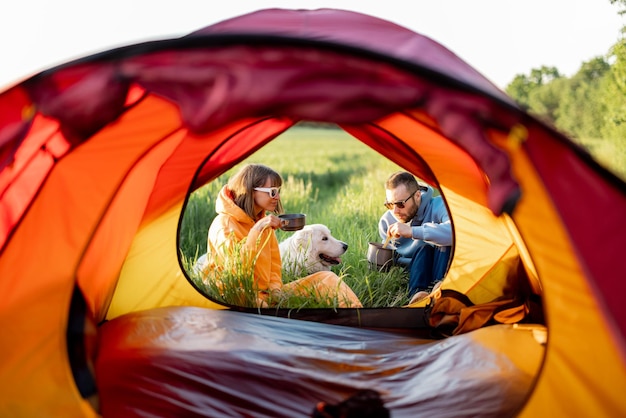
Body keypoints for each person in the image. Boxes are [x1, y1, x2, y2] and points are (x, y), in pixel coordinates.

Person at [205, 163, 362, 308]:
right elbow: (236, 271)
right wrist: (257, 230)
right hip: (237, 294)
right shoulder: (225, 224)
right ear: (251, 191)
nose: (278, 197)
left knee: (328, 279)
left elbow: (274, 268)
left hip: (267, 295)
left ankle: (359, 317)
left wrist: (276, 291)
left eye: (278, 191)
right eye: (272, 192)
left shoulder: (264, 223)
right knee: (262, 306)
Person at [378, 171, 452, 297]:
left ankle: (439, 290)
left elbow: (453, 232)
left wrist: (413, 232)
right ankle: (417, 296)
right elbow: (393, 257)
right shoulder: (387, 222)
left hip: (441, 265)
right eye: (390, 204)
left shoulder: (440, 206)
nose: (395, 211)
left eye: (400, 204)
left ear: (417, 196)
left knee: (442, 241)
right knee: (424, 249)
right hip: (417, 269)